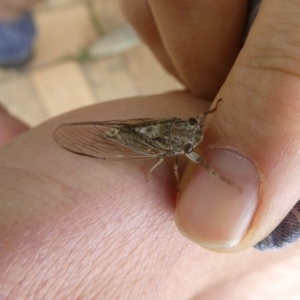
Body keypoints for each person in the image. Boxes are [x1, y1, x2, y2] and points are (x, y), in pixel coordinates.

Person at [1, 0, 300, 298]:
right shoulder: (178, 148)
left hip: (155, 129)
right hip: (136, 141)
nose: (195, 138)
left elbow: (197, 122)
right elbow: (168, 161)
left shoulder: (190, 131)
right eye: (189, 140)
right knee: (146, 152)